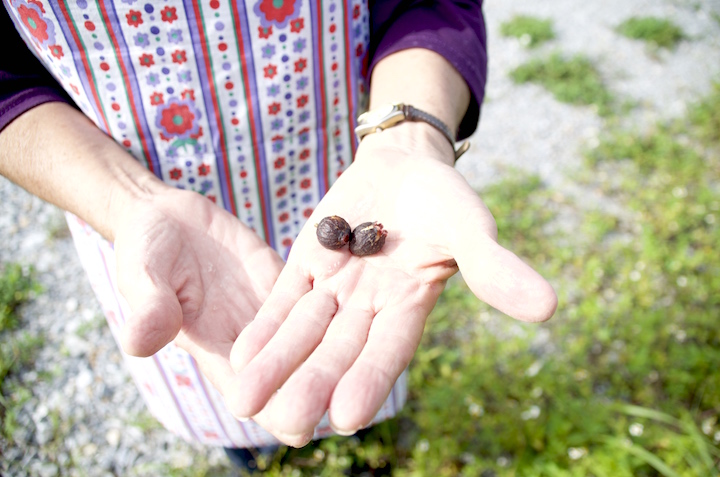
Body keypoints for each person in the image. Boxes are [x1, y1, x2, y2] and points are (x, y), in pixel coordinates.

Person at [0, 0, 557, 464]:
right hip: (155, 212)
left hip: (352, 166)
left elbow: (428, 4)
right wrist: (129, 201)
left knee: (354, 376)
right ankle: (252, 459)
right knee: (241, 384)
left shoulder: (357, 226)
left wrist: (409, 140)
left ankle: (365, 450)